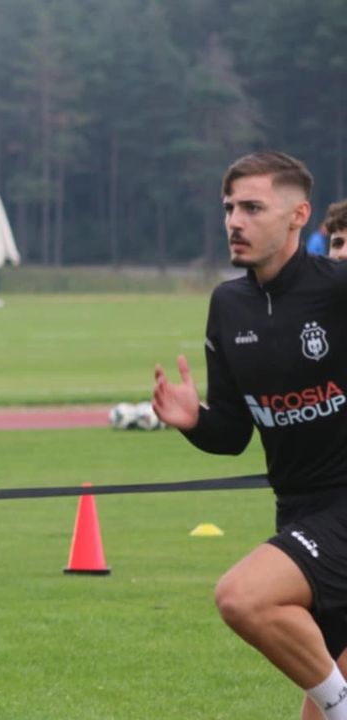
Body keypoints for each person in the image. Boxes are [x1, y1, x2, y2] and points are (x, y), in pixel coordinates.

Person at [152, 151, 347, 720]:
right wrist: (195, 421)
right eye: (229, 208)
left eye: (253, 208)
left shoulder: (337, 290)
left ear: (298, 216)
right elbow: (233, 434)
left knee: (242, 596)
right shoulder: (228, 305)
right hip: (297, 510)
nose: (234, 221)